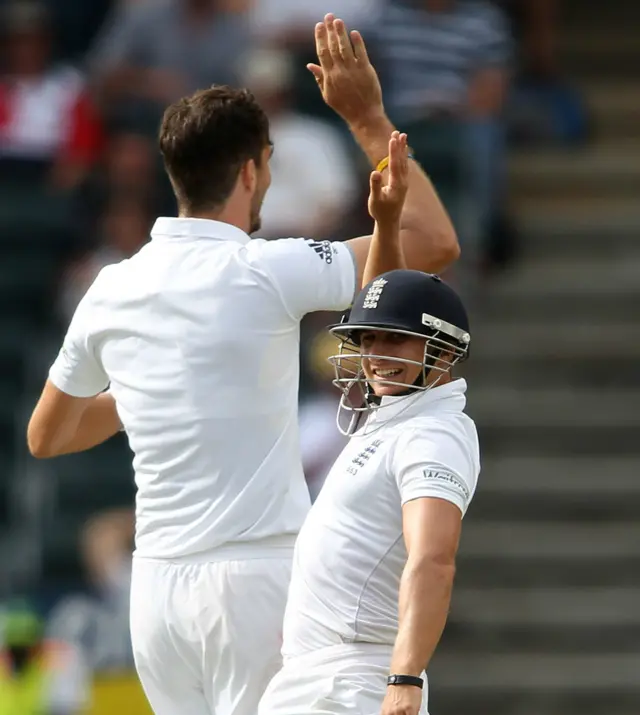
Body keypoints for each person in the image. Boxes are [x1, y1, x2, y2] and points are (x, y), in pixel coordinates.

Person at [26, 14, 458, 715]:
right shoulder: (271, 268)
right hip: (256, 580)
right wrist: (370, 118)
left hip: (156, 592)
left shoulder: (112, 285)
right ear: (254, 168)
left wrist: (146, 395)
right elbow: (433, 243)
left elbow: (47, 435)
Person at [259, 269, 480, 715]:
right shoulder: (396, 417)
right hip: (320, 675)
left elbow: (434, 559)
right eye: (367, 339)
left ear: (443, 348)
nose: (376, 355)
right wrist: (387, 221)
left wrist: (405, 677)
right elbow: (389, 290)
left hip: (354, 681)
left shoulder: (432, 434)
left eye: (394, 340)